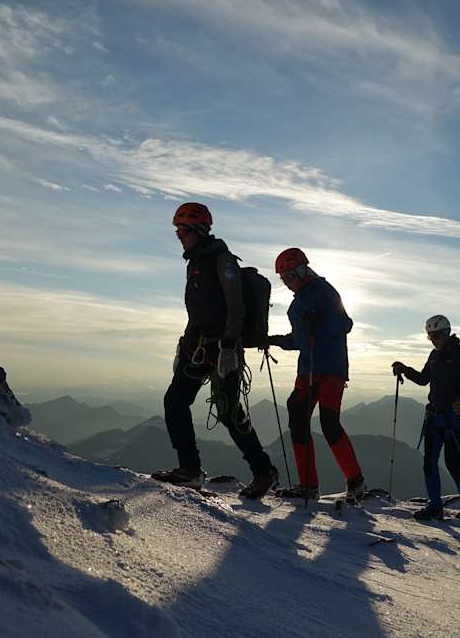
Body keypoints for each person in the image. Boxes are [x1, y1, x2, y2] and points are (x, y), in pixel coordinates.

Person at [155, 202, 278, 498]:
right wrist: (183, 345)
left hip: (223, 348)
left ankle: (263, 471)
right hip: (196, 347)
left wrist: (227, 347)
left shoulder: (222, 260)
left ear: (198, 229)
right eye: (177, 230)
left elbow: (236, 307)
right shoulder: (196, 261)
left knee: (228, 411)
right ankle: (190, 469)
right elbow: (198, 311)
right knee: (175, 401)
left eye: (182, 230)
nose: (178, 235)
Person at [263, 248, 365, 502]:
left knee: (328, 423)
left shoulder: (324, 292)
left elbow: (344, 325)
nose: (286, 283)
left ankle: (353, 482)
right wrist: (273, 340)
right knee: (298, 418)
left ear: (300, 270)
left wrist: (319, 320)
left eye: (288, 277)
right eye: (283, 279)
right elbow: (300, 339)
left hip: (329, 369)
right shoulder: (299, 301)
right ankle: (309, 485)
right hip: (310, 368)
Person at [392, 315, 460, 523]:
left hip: (453, 417)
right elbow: (424, 379)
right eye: (430, 337)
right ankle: (435, 507)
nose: (433, 340)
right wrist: (405, 370)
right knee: (429, 463)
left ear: (446, 333)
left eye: (436, 336)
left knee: (451, 461)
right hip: (435, 416)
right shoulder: (434, 356)